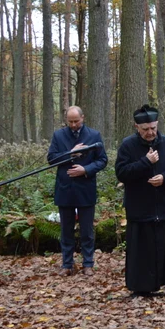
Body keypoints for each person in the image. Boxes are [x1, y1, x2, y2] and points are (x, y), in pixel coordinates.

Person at [115, 105, 165, 297]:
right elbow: (122, 173)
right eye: (145, 129)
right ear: (136, 127)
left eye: (153, 128)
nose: (150, 133)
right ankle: (141, 287)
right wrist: (145, 162)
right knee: (141, 251)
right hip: (140, 208)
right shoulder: (128, 146)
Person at [47, 106, 108, 276]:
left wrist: (86, 169)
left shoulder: (93, 135)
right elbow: (51, 159)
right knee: (66, 230)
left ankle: (88, 263)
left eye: (76, 121)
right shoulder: (59, 135)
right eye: (70, 121)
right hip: (65, 188)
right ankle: (67, 264)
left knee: (87, 230)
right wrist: (70, 154)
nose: (73, 125)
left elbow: (102, 160)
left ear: (83, 117)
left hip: (85, 188)